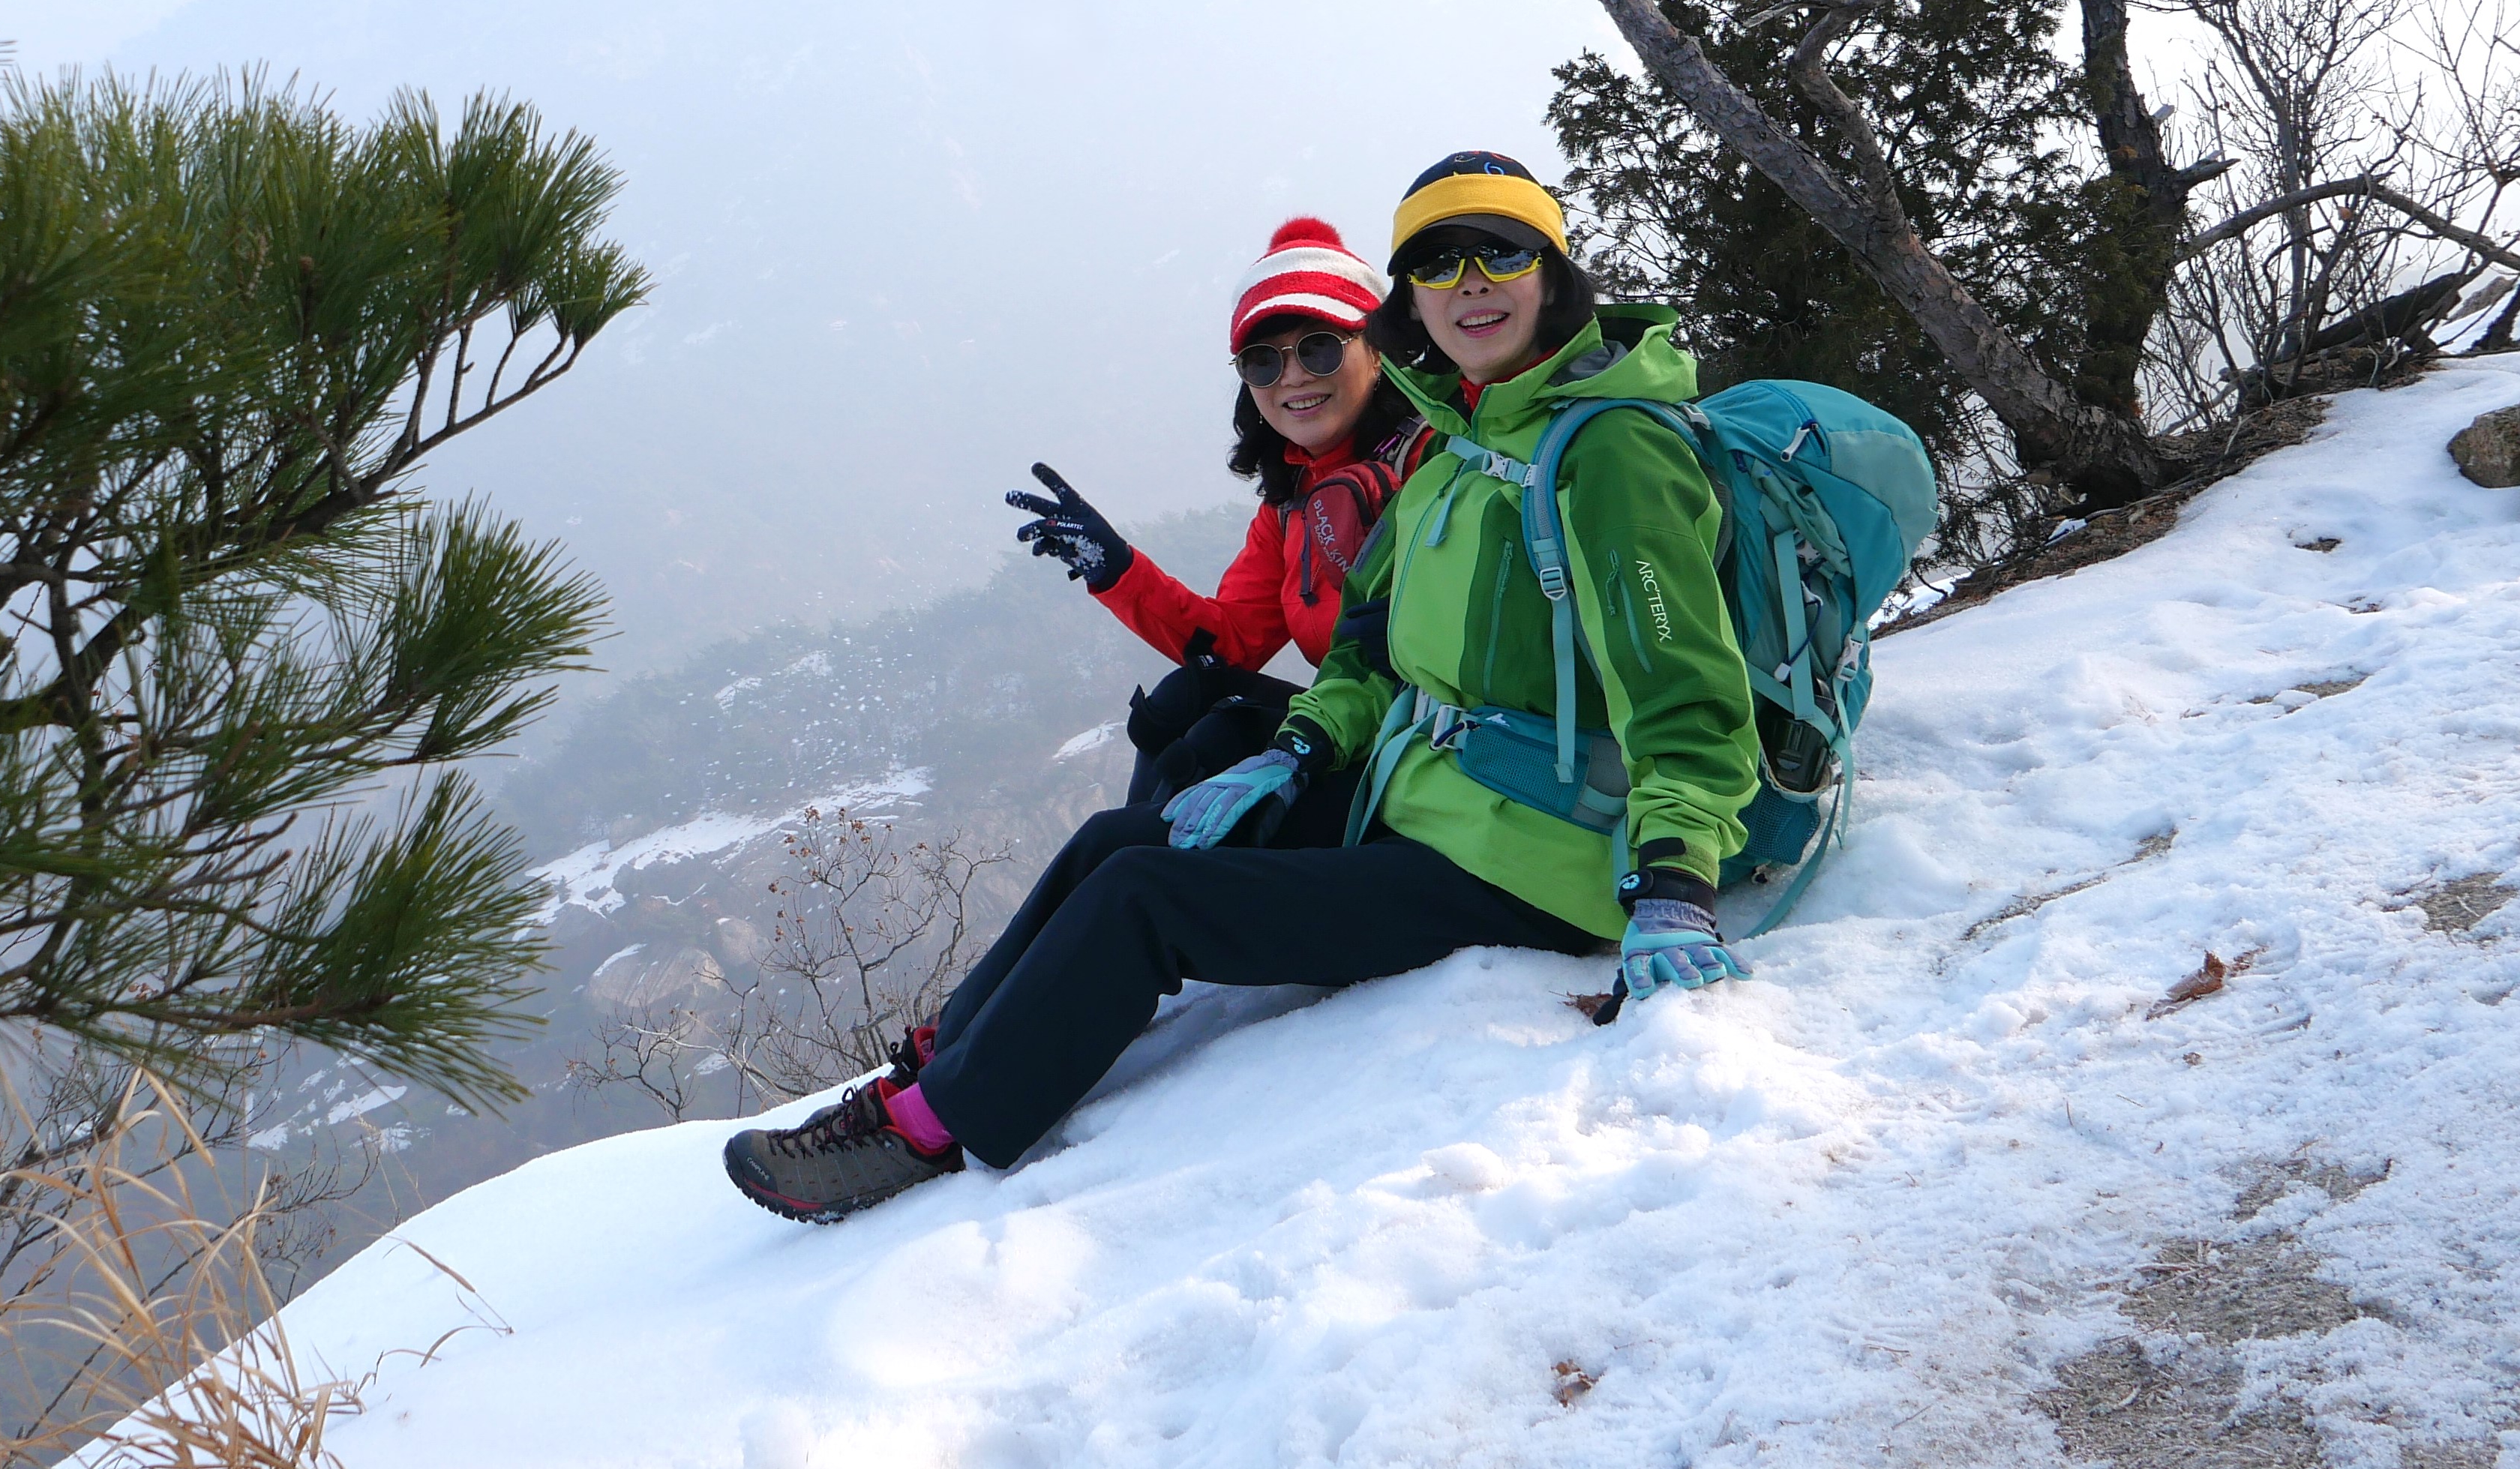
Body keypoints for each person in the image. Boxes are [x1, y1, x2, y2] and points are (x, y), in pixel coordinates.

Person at [723, 151, 1764, 1225]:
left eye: (1497, 254)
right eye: (1436, 264)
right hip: (1429, 797)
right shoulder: (1468, 441)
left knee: (1145, 900)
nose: (1467, 285)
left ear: (1552, 269)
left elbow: (1684, 689)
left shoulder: (1608, 450)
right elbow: (1368, 655)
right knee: (1114, 842)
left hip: (1533, 858)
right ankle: (924, 1069)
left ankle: (930, 1129)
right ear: (1408, 299)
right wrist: (1299, 750)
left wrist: (1675, 883)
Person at [1003, 215, 1429, 816]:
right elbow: (1230, 646)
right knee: (1185, 701)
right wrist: (1117, 569)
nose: (1293, 377)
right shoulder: (1292, 506)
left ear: (1377, 352)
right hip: (1345, 729)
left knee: (1178, 784)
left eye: (1320, 347)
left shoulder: (1436, 462)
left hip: (1428, 741)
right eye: (1263, 362)